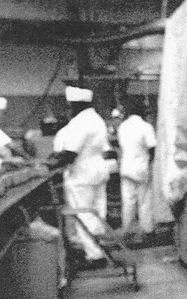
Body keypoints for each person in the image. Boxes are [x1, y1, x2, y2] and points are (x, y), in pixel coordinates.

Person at [50, 86, 109, 268]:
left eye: (70, 106)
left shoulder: (80, 123)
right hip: (98, 172)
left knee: (83, 214)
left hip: (82, 175)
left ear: (75, 105)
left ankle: (94, 255)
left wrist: (49, 165)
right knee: (97, 211)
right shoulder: (97, 120)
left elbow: (70, 154)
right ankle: (100, 245)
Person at [117, 99, 156, 244]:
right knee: (144, 201)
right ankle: (147, 230)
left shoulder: (122, 127)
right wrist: (150, 162)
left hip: (126, 169)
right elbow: (152, 147)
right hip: (140, 169)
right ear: (143, 114)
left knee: (128, 201)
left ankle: (126, 231)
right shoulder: (146, 127)